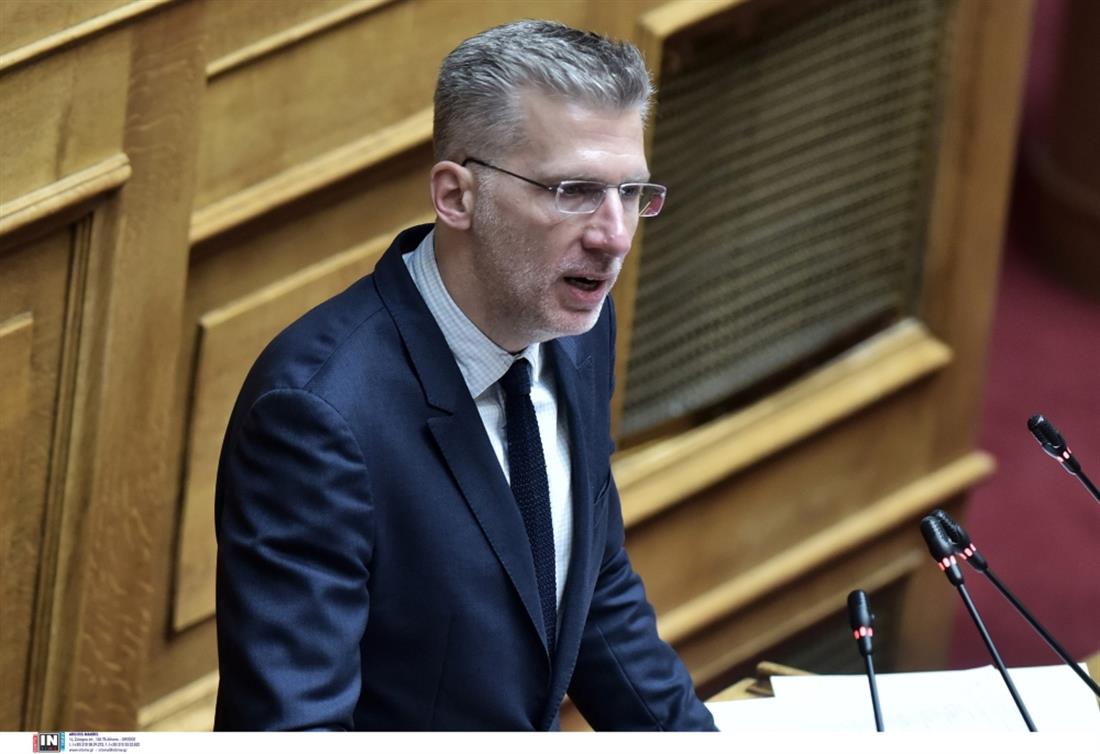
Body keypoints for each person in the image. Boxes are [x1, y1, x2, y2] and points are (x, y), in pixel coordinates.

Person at [213, 19, 716, 732]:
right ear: (456, 196)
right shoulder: (317, 415)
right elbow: (295, 729)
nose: (615, 236)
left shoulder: (578, 325)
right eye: (574, 190)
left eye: (631, 192)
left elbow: (592, 586)